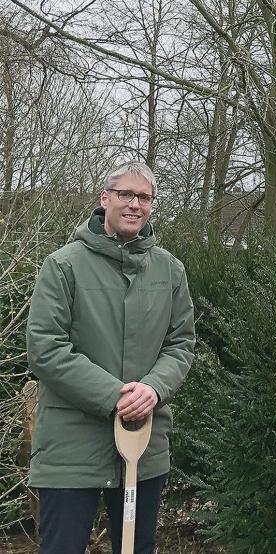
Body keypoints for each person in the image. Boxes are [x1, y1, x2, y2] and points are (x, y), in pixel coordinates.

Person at [27, 161, 196, 554]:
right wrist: (116, 395)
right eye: (125, 194)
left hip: (143, 447)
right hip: (71, 450)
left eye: (144, 197)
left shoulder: (170, 271)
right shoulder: (63, 266)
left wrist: (153, 388)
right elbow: (45, 347)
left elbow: (181, 343)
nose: (134, 204)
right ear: (105, 199)